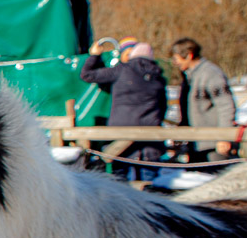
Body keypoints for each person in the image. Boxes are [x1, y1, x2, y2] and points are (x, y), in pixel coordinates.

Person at [80, 37, 168, 183]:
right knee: (149, 188)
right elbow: (163, 107)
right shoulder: (158, 77)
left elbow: (87, 75)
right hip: (150, 143)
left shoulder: (122, 70)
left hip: (119, 140)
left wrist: (94, 56)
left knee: (119, 184)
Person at [171, 37, 237, 164]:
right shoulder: (189, 77)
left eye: (176, 58)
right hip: (196, 141)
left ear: (189, 55)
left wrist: (224, 137)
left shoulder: (210, 74)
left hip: (212, 143)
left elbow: (226, 105)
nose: (175, 62)